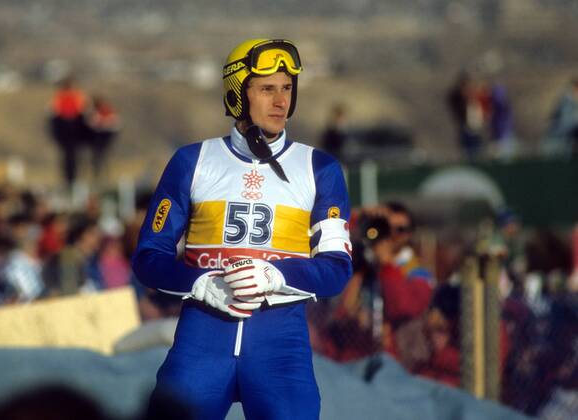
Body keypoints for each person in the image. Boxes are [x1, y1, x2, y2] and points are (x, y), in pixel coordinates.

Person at [132, 38, 353, 419]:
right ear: (238, 94)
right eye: (267, 89)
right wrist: (199, 282)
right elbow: (148, 258)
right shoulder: (192, 161)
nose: (281, 101)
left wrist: (276, 275)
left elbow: (336, 270)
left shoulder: (320, 168)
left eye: (287, 89)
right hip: (202, 336)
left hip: (280, 344)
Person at [365, 201, 434, 372]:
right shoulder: (363, 268)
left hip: (402, 365)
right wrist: (360, 216)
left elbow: (402, 308)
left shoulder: (418, 273)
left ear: (410, 234)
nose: (393, 235)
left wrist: (387, 265)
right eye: (387, 227)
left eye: (400, 229)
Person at [48, 76, 90, 189]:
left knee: (71, 158)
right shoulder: (66, 97)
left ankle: (72, 179)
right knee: (70, 158)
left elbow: (82, 111)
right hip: (68, 130)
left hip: (71, 130)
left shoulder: (71, 96)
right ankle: (70, 179)